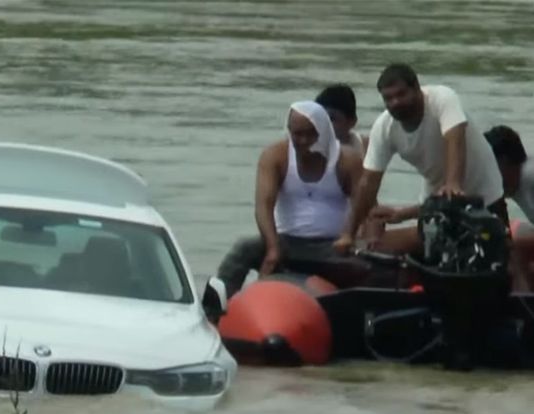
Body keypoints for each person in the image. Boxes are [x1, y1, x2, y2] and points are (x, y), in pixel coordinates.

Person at [334, 63, 511, 258]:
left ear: (417, 88)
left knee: (501, 260)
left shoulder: (442, 99)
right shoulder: (384, 127)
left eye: (401, 95)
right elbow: (368, 182)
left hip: (485, 194)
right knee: (430, 258)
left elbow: (455, 137)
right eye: (388, 98)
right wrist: (348, 234)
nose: (395, 102)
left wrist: (453, 183)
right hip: (437, 202)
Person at [215, 100, 364, 297]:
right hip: (286, 243)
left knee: (372, 266)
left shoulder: (348, 160)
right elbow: (263, 206)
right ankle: (215, 310)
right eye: (297, 134)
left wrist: (351, 237)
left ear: (324, 131)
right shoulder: (275, 156)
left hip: (333, 247)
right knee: (243, 248)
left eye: (310, 134)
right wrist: (272, 247)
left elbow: (366, 206)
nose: (303, 140)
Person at [485, 125, 534, 286]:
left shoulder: (530, 176)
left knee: (515, 248)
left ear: (504, 162)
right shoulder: (519, 182)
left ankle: (524, 303)